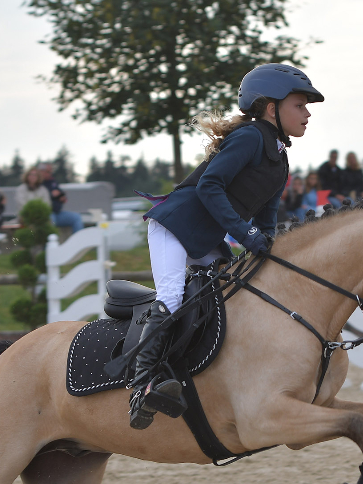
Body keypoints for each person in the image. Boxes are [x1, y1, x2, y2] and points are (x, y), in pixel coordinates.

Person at [133, 63, 322, 430]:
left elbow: (266, 218)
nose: (307, 113)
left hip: (206, 238)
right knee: (171, 297)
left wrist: (268, 248)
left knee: (234, 291)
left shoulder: (279, 157)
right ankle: (143, 384)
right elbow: (209, 187)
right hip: (176, 226)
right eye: (299, 105)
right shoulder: (250, 138)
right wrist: (246, 236)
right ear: (272, 108)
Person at [38, 163, 84, 234]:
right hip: (46, 214)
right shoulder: (38, 184)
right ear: (41, 171)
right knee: (51, 219)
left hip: (57, 212)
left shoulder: (53, 182)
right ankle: (51, 244)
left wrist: (62, 197)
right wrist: (52, 195)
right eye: (47, 172)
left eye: (51, 172)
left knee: (76, 217)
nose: (50, 174)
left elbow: (59, 193)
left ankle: (78, 243)